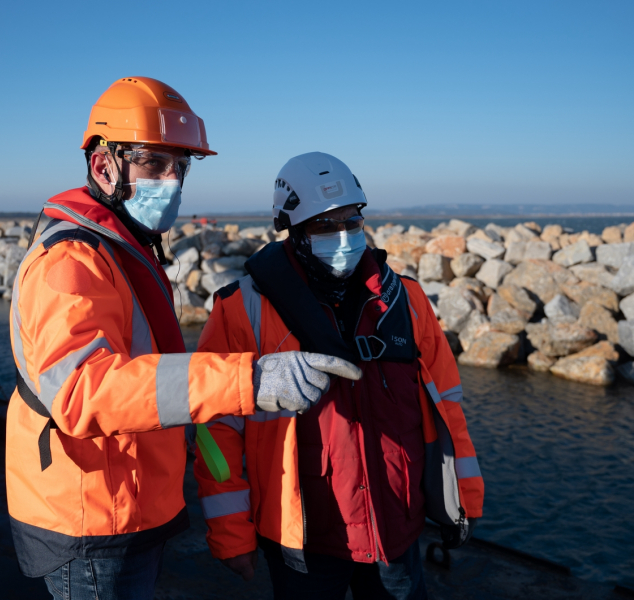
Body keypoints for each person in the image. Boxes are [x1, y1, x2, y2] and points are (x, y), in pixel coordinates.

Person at [6, 80, 361, 599]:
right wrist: (251, 377)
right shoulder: (71, 261)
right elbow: (83, 392)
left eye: (181, 166)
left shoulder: (125, 250)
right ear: (105, 166)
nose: (171, 180)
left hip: (126, 501)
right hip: (91, 520)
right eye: (154, 163)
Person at [193, 152, 484, 599]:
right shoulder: (241, 308)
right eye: (325, 225)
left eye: (351, 220)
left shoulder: (405, 300)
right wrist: (231, 531)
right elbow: (215, 432)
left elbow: (447, 405)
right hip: (303, 542)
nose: (344, 236)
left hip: (395, 531)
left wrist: (462, 498)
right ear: (294, 230)